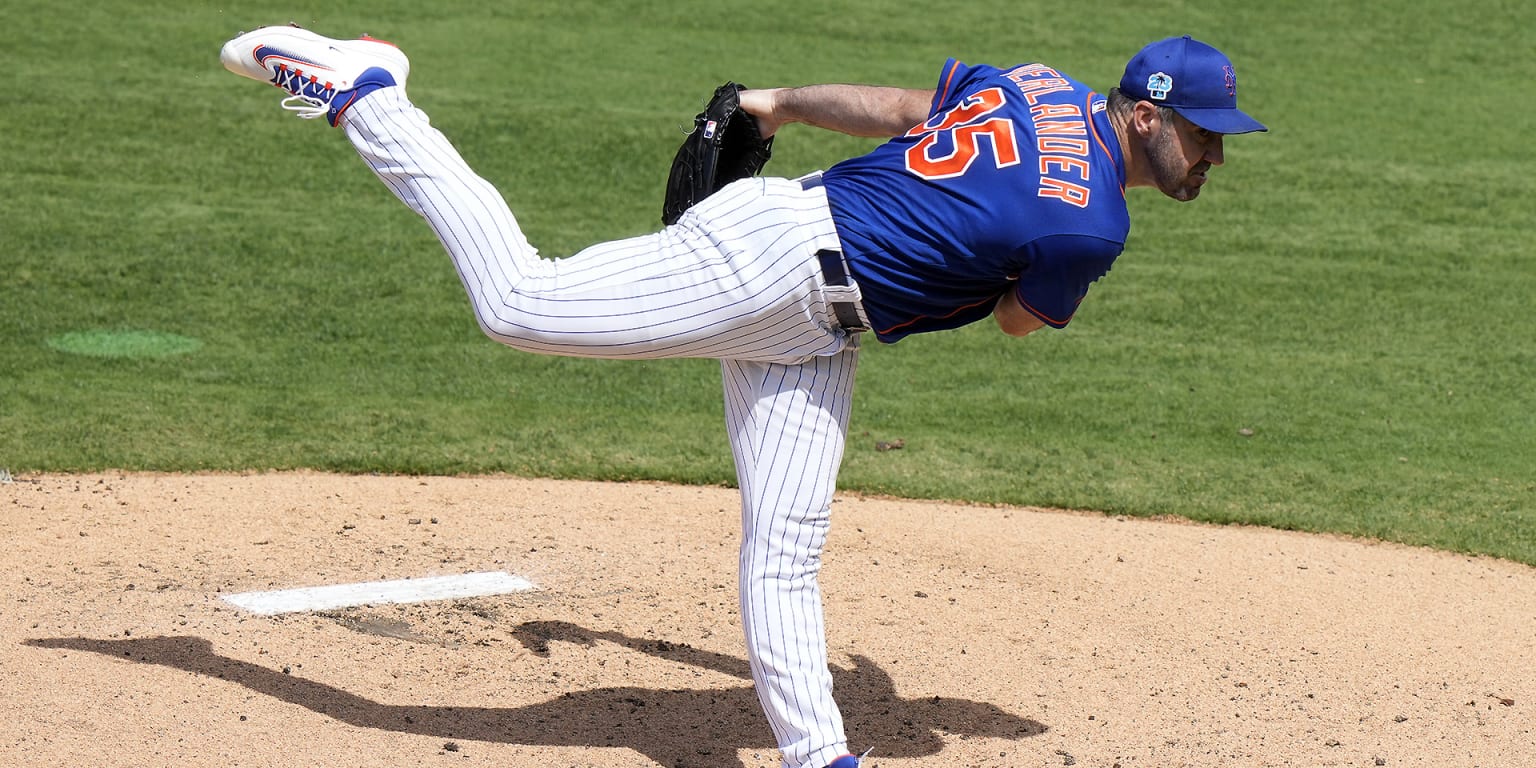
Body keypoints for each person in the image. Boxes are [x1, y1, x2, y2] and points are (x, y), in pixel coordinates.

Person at [220, 25, 1264, 768]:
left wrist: (774, 100)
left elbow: (905, 109)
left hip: (815, 319)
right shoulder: (1094, 229)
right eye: (1203, 134)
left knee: (786, 547)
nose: (1213, 153)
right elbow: (1021, 321)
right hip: (772, 266)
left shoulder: (1031, 82)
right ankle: (372, 95)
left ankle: (818, 758)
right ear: (1143, 116)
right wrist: (999, 257)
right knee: (518, 302)